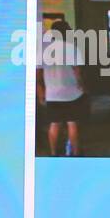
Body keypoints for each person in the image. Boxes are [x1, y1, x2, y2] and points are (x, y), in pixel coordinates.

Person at [37, 20, 87, 156]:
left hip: (52, 93)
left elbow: (38, 74)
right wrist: (82, 84)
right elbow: (77, 71)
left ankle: (53, 153)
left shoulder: (43, 50)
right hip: (71, 93)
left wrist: (40, 92)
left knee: (54, 124)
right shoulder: (72, 48)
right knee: (72, 123)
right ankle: (75, 153)